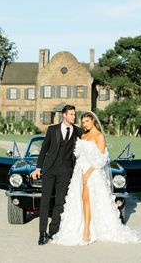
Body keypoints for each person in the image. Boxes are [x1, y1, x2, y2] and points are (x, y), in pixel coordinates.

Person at [52, 111, 140, 245]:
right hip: (80, 171)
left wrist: (89, 172)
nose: (85, 124)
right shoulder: (83, 135)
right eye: (83, 122)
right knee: (81, 199)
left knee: (86, 198)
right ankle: (83, 226)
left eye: (87, 121)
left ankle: (87, 230)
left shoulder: (100, 136)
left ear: (93, 120)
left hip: (93, 172)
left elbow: (103, 158)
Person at [30, 105, 82, 245]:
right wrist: (38, 168)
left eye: (74, 114)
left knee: (60, 202)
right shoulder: (52, 129)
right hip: (49, 170)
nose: (74, 117)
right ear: (64, 115)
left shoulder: (78, 131)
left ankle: (53, 231)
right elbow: (44, 149)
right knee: (45, 201)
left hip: (66, 171)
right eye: (71, 114)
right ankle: (42, 233)